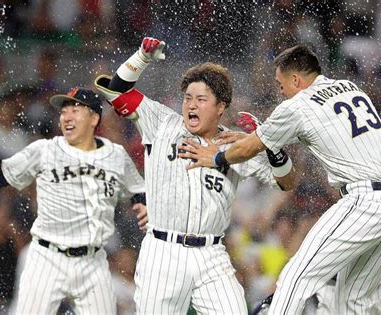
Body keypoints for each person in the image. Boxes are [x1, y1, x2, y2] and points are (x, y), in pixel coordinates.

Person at [179, 44, 381, 314]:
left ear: (296, 80)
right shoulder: (350, 88)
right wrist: (253, 139)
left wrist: (216, 158)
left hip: (366, 203)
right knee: (357, 304)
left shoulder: (298, 105)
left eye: (281, 84)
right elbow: (280, 138)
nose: (280, 92)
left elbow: (251, 149)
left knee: (295, 276)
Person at [94, 37, 281, 314]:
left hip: (211, 255)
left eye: (201, 99)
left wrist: (267, 141)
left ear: (221, 106)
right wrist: (142, 57)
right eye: (188, 98)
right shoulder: (161, 122)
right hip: (163, 251)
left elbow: (283, 179)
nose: (191, 105)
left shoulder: (235, 145)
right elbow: (116, 91)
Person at [0, 87, 147, 314]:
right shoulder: (44, 150)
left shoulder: (116, 156)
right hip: (47, 257)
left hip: (92, 261)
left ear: (94, 118)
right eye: (63, 112)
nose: (67, 117)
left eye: (75, 110)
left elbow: (138, 191)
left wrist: (143, 206)